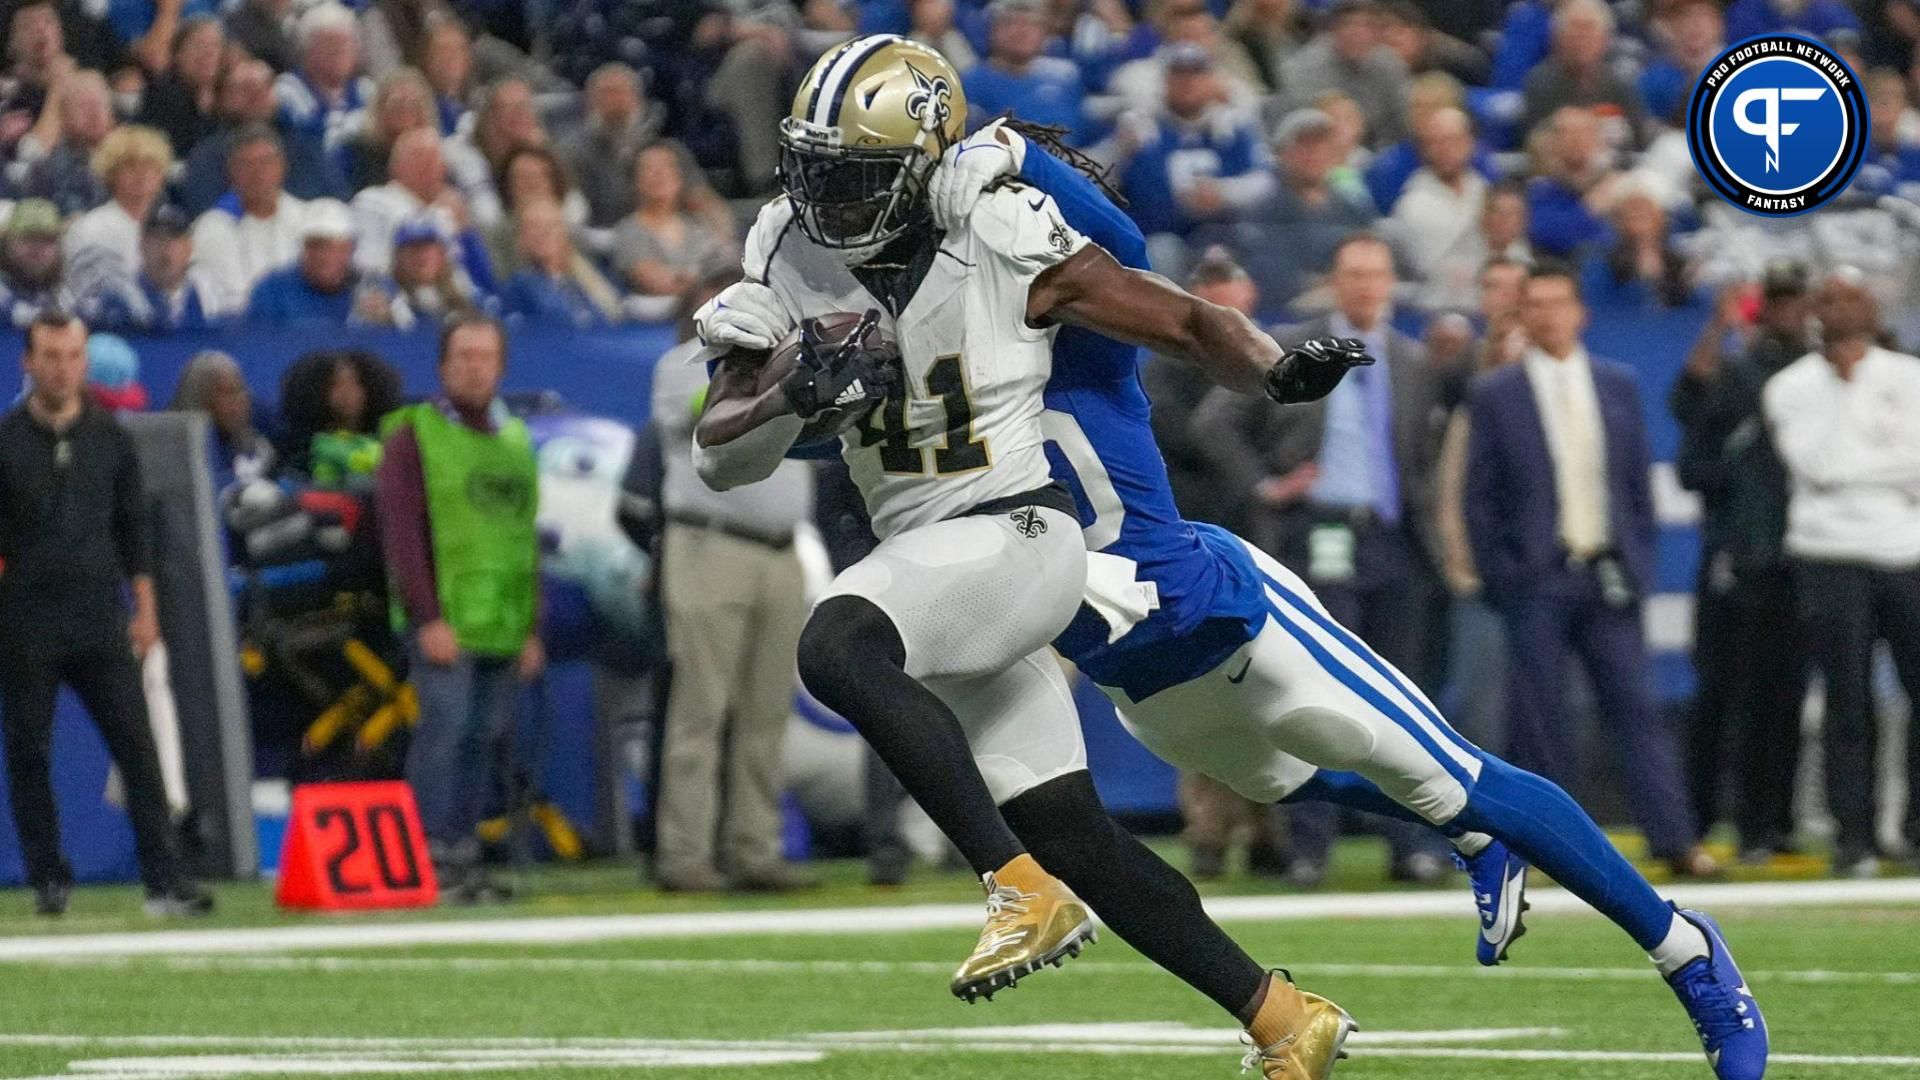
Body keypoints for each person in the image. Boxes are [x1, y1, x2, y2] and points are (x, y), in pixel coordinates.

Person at [931, 117, 1769, 1080]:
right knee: (1289, 778)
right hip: (1136, 677)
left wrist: (1014, 151)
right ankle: (1467, 833)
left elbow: (1120, 244)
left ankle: (1685, 950)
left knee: (1435, 765)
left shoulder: (1079, 339)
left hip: (1223, 612)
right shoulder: (941, 371)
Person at [693, 36, 1356, 1070]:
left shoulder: (996, 224)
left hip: (1018, 529)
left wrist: (1271, 372)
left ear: (918, 164)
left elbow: (1178, 319)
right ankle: (1280, 1017)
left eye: (854, 175)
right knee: (1072, 826)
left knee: (836, 647)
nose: (824, 198)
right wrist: (790, 391)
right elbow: (720, 451)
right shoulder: (784, 248)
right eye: (814, 169)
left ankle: (1013, 888)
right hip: (935, 564)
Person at [1194, 232, 1452, 887]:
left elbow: (1421, 451)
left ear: (1391, 283)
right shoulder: (1295, 345)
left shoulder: (1413, 359)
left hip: (1394, 540)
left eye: (1376, 274)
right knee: (1316, 696)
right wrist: (1265, 486)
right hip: (1316, 534)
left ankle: (1408, 845)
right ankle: (1309, 847)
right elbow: (1213, 422)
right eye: (1354, 274)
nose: (1366, 286)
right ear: (1335, 282)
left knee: (1403, 699)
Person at [1463, 260, 1715, 878]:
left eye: (1559, 302)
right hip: (1539, 577)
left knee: (1637, 709)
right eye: (1537, 304)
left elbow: (1634, 487)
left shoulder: (1616, 384)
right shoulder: (1498, 392)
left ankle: (1675, 841)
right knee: (1539, 720)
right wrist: (1507, 575)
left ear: (1582, 312)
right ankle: (1552, 850)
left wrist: (1638, 563)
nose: (1549, 314)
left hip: (1608, 573)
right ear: (1522, 314)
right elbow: (1481, 497)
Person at [0, 309, 212, 919]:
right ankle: (47, 877)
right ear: (28, 362)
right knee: (29, 752)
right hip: (26, 619)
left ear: (85, 362)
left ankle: (164, 878)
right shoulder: (7, 441)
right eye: (50, 356)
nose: (62, 369)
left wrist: (144, 608)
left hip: (98, 615)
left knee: (137, 747)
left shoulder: (110, 438)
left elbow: (131, 530)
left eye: (72, 356)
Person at [648, 271, 814, 894]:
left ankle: (754, 848)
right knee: (702, 711)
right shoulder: (679, 366)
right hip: (709, 545)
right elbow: (715, 412)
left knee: (767, 715)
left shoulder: (782, 360)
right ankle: (684, 854)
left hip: (782, 554)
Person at [376, 313, 543, 902]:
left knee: (484, 739)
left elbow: (525, 537)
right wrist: (426, 618)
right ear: (443, 365)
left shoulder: (516, 440)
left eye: (485, 356)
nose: (474, 367)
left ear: (500, 365)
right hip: (445, 621)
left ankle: (464, 855)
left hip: (502, 621)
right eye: (464, 356)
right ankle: (424, 859)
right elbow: (400, 532)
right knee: (443, 735)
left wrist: (531, 627)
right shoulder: (413, 435)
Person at [1763, 273, 1920, 878]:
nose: (1839, 307)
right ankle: (1855, 839)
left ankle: (1913, 830)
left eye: (1850, 296)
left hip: (1906, 553)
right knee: (1847, 702)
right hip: (1828, 556)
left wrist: (1867, 468)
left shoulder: (1908, 376)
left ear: (1874, 307)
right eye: (1826, 298)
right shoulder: (1790, 387)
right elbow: (1818, 465)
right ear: (1813, 313)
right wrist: (1877, 455)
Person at [1671, 262, 1810, 864]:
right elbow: (1689, 443)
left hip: (1798, 557)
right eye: (1773, 303)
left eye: (1792, 302)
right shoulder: (1734, 374)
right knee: (1719, 696)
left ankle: (1770, 823)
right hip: (1734, 558)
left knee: (1784, 696)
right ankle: (1699, 818)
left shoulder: (1819, 378)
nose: (1784, 314)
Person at [188, 124, 313, 313]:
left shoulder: (308, 219)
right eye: (246, 164)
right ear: (231, 171)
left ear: (282, 166)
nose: (257, 172)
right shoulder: (211, 228)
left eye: (266, 162)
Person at [612, 144, 730, 316]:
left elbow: (724, 272)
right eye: (649, 168)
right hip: (657, 324)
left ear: (680, 178)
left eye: (668, 166)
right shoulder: (628, 231)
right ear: (635, 180)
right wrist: (705, 283)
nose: (659, 174)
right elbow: (656, 283)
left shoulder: (698, 227)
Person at [1277, 0, 1409, 150]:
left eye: (1367, 25)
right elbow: (1301, 129)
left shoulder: (1389, 64)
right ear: (1332, 29)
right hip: (1318, 151)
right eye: (1348, 24)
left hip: (1378, 152)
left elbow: (1401, 124)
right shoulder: (1303, 69)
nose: (1358, 33)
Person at [61, 123, 171, 303]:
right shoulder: (90, 228)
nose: (141, 174)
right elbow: (81, 295)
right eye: (130, 166)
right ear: (110, 174)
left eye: (149, 165)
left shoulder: (172, 224)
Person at [76, 203, 223, 332]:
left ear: (189, 248)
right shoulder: (120, 295)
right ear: (142, 246)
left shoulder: (205, 295)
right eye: (157, 240)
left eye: (174, 241)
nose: (166, 250)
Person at [961, 0, 1087, 143]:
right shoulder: (972, 82)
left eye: (1032, 24)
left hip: (1072, 160)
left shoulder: (1066, 76)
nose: (1022, 31)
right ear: (992, 30)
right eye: (1010, 23)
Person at [277, 348, 402, 491]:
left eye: (356, 382)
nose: (347, 392)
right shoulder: (301, 452)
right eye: (335, 384)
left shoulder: (389, 440)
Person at [497, 199, 619, 327]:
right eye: (534, 226)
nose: (543, 233)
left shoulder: (589, 278)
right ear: (521, 238)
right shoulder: (518, 286)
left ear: (565, 234)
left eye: (552, 225)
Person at [246, 198, 366, 324]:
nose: (325, 256)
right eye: (316, 246)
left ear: (350, 249)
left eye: (334, 247)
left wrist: (383, 319)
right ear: (303, 248)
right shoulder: (272, 291)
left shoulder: (370, 288)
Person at [20, 68, 115, 216]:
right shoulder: (48, 170)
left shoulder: (127, 160)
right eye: (84, 106)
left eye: (101, 105)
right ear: (63, 115)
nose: (94, 114)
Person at [0, 198, 70, 327]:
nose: (37, 249)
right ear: (6, 242)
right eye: (29, 238)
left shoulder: (62, 294)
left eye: (47, 239)